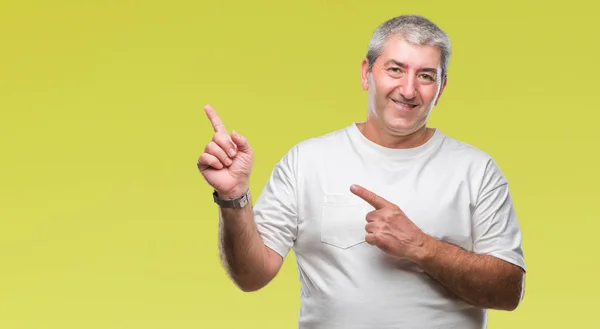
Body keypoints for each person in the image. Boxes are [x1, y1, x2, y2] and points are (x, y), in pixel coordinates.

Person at [197, 14, 526, 329]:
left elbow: (509, 292)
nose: (409, 90)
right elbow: (251, 277)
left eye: (426, 76)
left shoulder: (476, 170)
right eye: (395, 69)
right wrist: (233, 197)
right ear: (367, 73)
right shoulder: (308, 161)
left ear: (440, 88)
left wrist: (421, 246)